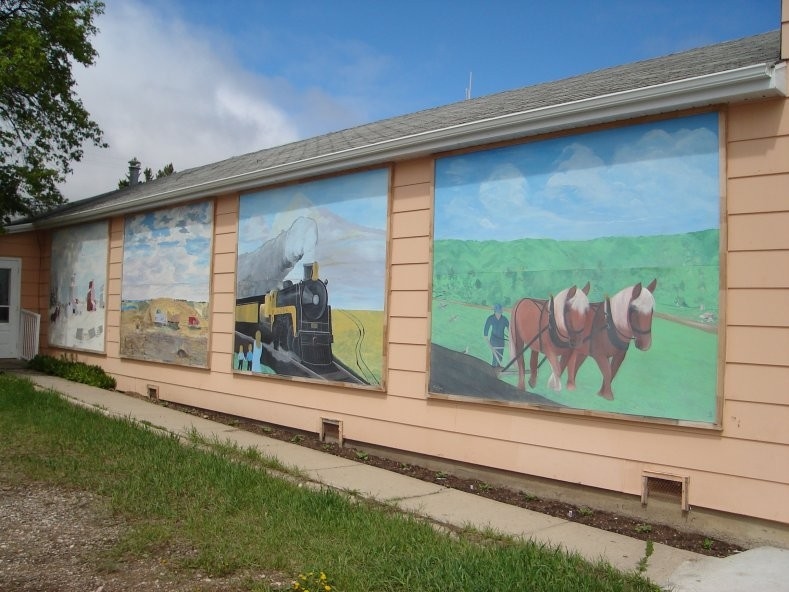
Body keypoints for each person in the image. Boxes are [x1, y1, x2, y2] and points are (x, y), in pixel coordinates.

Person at [483, 304, 509, 368]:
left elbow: (510, 331)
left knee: (500, 358)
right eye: (497, 312)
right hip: (493, 341)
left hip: (501, 341)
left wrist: (510, 341)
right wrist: (489, 345)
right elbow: (485, 334)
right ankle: (493, 370)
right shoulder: (490, 318)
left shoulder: (504, 319)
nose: (498, 314)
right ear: (494, 311)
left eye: (500, 312)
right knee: (495, 358)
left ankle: (498, 370)